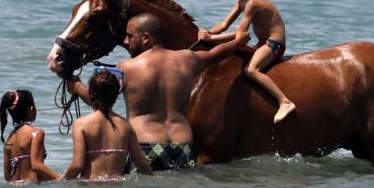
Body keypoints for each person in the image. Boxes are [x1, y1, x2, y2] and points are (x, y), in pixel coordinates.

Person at [67, 12, 249, 171]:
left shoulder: (127, 67)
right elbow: (217, 54)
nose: (125, 41)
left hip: (145, 147)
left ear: (146, 37)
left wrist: (75, 87)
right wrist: (238, 41)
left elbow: (99, 100)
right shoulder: (187, 59)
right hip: (182, 146)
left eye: (130, 36)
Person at [198, 0, 296, 124]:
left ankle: (284, 102)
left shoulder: (253, 2)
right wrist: (207, 32)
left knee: (251, 70)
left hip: (274, 45)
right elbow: (223, 25)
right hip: (262, 43)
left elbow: (241, 35)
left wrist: (212, 39)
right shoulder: (241, 0)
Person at [62, 67, 152, 181]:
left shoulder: (80, 124)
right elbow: (143, 164)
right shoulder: (126, 126)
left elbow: (77, 165)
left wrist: (61, 181)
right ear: (115, 96)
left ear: (90, 93)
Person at [0, 89, 59, 184]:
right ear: (31, 109)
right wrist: (61, 178)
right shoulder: (37, 133)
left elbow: (7, 176)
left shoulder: (8, 140)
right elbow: (37, 166)